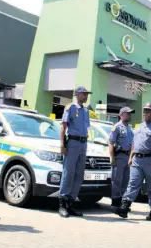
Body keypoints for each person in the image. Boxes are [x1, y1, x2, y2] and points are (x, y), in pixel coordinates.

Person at [115, 103, 151, 220]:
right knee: (133, 183)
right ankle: (125, 206)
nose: (145, 113)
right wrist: (131, 157)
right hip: (137, 160)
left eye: (148, 111)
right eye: (144, 110)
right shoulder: (140, 126)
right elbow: (135, 143)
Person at [58, 86, 91, 218]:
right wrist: (62, 144)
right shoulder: (70, 108)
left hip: (83, 144)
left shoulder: (86, 110)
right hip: (73, 143)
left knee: (79, 175)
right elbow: (63, 126)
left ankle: (70, 204)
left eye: (86, 94)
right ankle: (62, 204)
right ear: (77, 94)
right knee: (68, 173)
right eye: (83, 94)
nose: (86, 96)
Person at [108, 107, 134, 212]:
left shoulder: (130, 128)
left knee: (125, 181)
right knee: (116, 180)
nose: (129, 115)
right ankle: (115, 203)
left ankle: (122, 203)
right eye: (127, 114)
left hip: (127, 157)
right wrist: (112, 157)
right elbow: (110, 142)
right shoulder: (117, 127)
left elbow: (133, 144)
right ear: (121, 115)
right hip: (119, 156)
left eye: (130, 114)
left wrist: (131, 158)